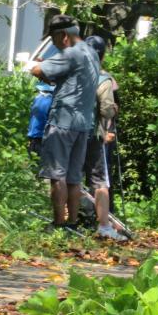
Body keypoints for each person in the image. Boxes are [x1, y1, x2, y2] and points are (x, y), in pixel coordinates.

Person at [29, 14, 100, 230]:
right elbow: (70, 79)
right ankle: (72, 223)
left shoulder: (71, 54)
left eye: (53, 39)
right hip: (83, 124)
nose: (54, 44)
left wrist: (38, 68)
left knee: (56, 174)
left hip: (62, 122)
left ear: (63, 36)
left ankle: (58, 224)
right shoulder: (91, 53)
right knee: (73, 177)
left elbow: (37, 70)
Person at [81, 35, 126, 241]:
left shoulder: (74, 74)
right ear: (103, 55)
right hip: (93, 134)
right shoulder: (104, 79)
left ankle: (71, 220)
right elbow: (107, 110)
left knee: (71, 178)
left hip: (71, 131)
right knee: (100, 182)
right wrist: (113, 110)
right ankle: (103, 225)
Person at [27, 82, 54, 156]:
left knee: (35, 158)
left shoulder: (43, 99)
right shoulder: (49, 98)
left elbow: (40, 116)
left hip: (38, 135)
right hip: (40, 134)